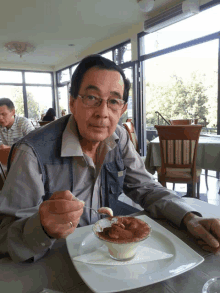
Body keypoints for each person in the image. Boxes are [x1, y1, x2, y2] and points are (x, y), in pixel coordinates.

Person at [0, 55, 220, 263]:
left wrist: (190, 218)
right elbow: (5, 235)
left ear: (122, 109)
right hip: (55, 259)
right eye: (92, 98)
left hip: (109, 252)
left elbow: (147, 188)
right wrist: (43, 227)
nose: (103, 112)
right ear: (72, 103)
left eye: (113, 101)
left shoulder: (119, 137)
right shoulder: (32, 153)